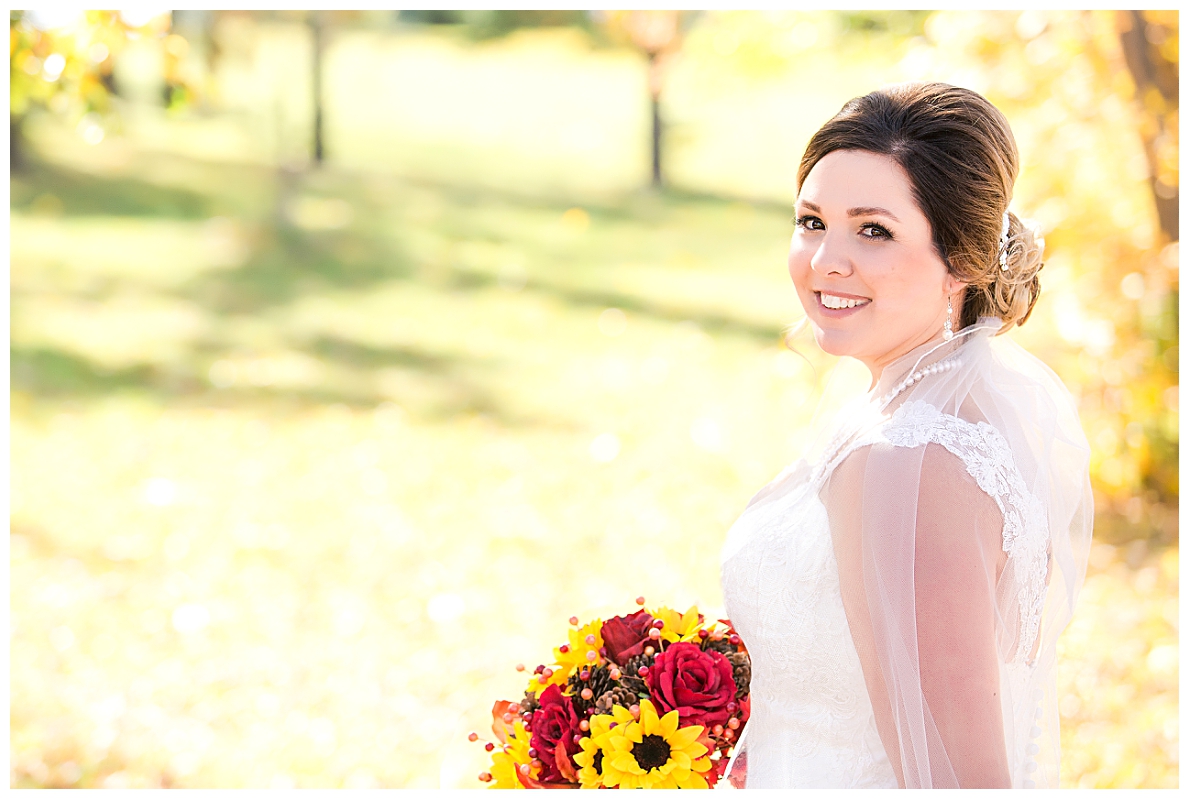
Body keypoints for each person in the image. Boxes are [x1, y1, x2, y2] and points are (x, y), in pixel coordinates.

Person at [719, 83, 1093, 788]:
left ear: (960, 259)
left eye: (872, 230)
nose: (824, 259)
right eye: (810, 221)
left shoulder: (905, 460)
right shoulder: (942, 409)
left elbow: (956, 777)